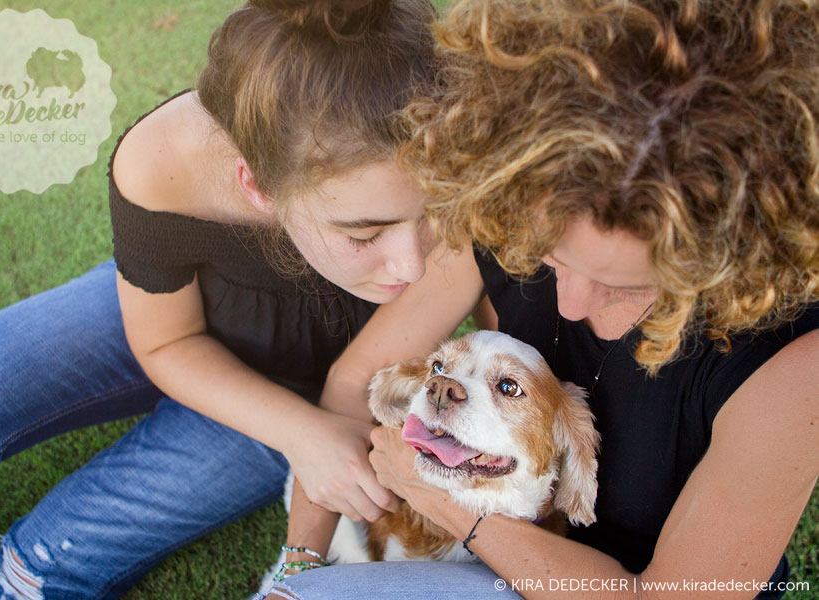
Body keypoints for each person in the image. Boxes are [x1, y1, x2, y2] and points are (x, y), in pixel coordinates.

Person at [260, 0, 819, 598]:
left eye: (628, 284)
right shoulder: (514, 207)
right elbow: (355, 382)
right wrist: (299, 558)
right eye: (552, 258)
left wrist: (439, 497)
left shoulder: (796, 365)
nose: (572, 305)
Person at [0, 0, 439, 597]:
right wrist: (304, 439)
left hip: (299, 393)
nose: (413, 264)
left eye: (431, 216)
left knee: (36, 567)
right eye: (364, 233)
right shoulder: (160, 159)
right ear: (258, 185)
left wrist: (306, 432)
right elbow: (166, 338)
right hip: (178, 310)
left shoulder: (446, 134)